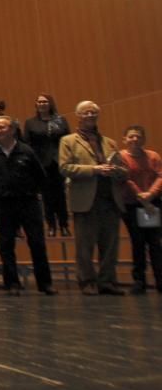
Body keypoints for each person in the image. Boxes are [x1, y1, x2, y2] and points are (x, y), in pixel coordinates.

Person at [0, 116, 57, 296]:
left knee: (37, 243)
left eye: (1, 127)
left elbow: (41, 177)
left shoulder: (26, 150)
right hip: (2, 203)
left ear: (12, 130)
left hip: (28, 202)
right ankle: (12, 283)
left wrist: (35, 193)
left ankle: (45, 283)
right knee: (6, 245)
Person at [59, 101, 128, 296]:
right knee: (85, 246)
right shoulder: (68, 141)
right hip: (85, 200)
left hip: (110, 199)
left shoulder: (109, 142)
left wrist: (116, 170)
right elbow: (65, 168)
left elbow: (125, 170)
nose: (90, 115)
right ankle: (87, 281)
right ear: (78, 116)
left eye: (94, 112)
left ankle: (107, 281)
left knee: (110, 245)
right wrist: (95, 169)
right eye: (86, 112)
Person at [118, 125, 162, 294]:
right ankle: (139, 281)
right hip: (131, 205)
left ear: (143, 139)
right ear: (125, 139)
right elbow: (125, 178)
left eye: (138, 136)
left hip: (153, 204)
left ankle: (160, 279)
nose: (134, 139)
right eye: (131, 136)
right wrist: (141, 197)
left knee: (155, 243)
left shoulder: (153, 156)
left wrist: (150, 195)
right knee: (137, 242)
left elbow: (160, 176)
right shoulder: (121, 157)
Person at [23, 93, 71, 237]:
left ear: (50, 104)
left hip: (59, 161)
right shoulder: (31, 122)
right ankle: (51, 225)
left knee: (60, 195)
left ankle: (64, 225)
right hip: (41, 163)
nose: (42, 104)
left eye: (45, 101)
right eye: (39, 102)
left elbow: (67, 140)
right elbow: (27, 143)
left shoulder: (61, 120)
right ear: (36, 105)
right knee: (47, 196)